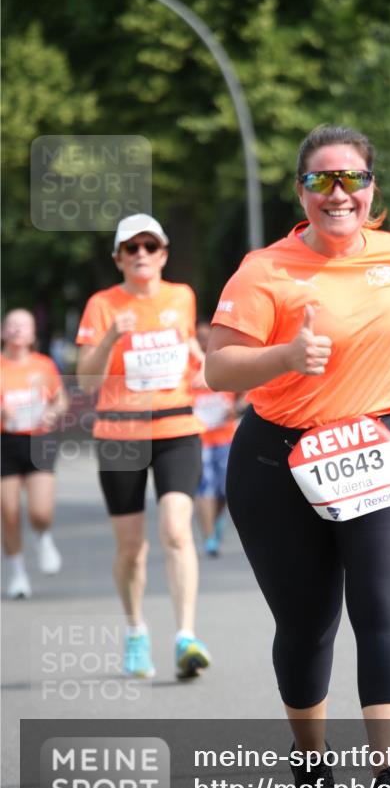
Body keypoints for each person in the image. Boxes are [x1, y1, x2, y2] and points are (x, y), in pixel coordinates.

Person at [205, 125, 390, 788]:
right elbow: (219, 366)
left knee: (382, 608)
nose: (338, 193)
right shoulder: (263, 270)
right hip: (279, 461)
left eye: (351, 178)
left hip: (383, 444)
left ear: (370, 188)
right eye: (321, 180)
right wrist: (287, 357)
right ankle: (312, 762)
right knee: (306, 625)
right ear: (301, 192)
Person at [75, 214, 211, 680]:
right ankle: (136, 631)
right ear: (118, 258)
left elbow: (187, 344)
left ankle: (186, 636)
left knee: (177, 530)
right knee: (132, 548)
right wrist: (113, 335)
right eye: (130, 248)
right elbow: (86, 380)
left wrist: (200, 360)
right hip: (120, 434)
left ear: (163, 254)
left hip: (176, 427)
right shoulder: (101, 305)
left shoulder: (182, 296)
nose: (141, 255)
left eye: (149, 246)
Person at [1, 308, 68, 599]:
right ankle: (17, 574)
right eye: (12, 325)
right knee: (9, 512)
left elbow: (60, 400)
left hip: (39, 439)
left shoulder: (44, 365)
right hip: (5, 442)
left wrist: (53, 412)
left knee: (40, 511)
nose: (17, 330)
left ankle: (43, 536)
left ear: (32, 334)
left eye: (23, 325)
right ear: (3, 331)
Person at [191, 320, 242, 557]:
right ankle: (209, 537)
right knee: (204, 488)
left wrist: (237, 407)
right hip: (199, 438)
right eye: (199, 337)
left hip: (225, 437)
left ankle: (217, 520)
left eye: (206, 337)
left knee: (225, 490)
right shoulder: (188, 366)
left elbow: (247, 390)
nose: (203, 342)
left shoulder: (223, 361)